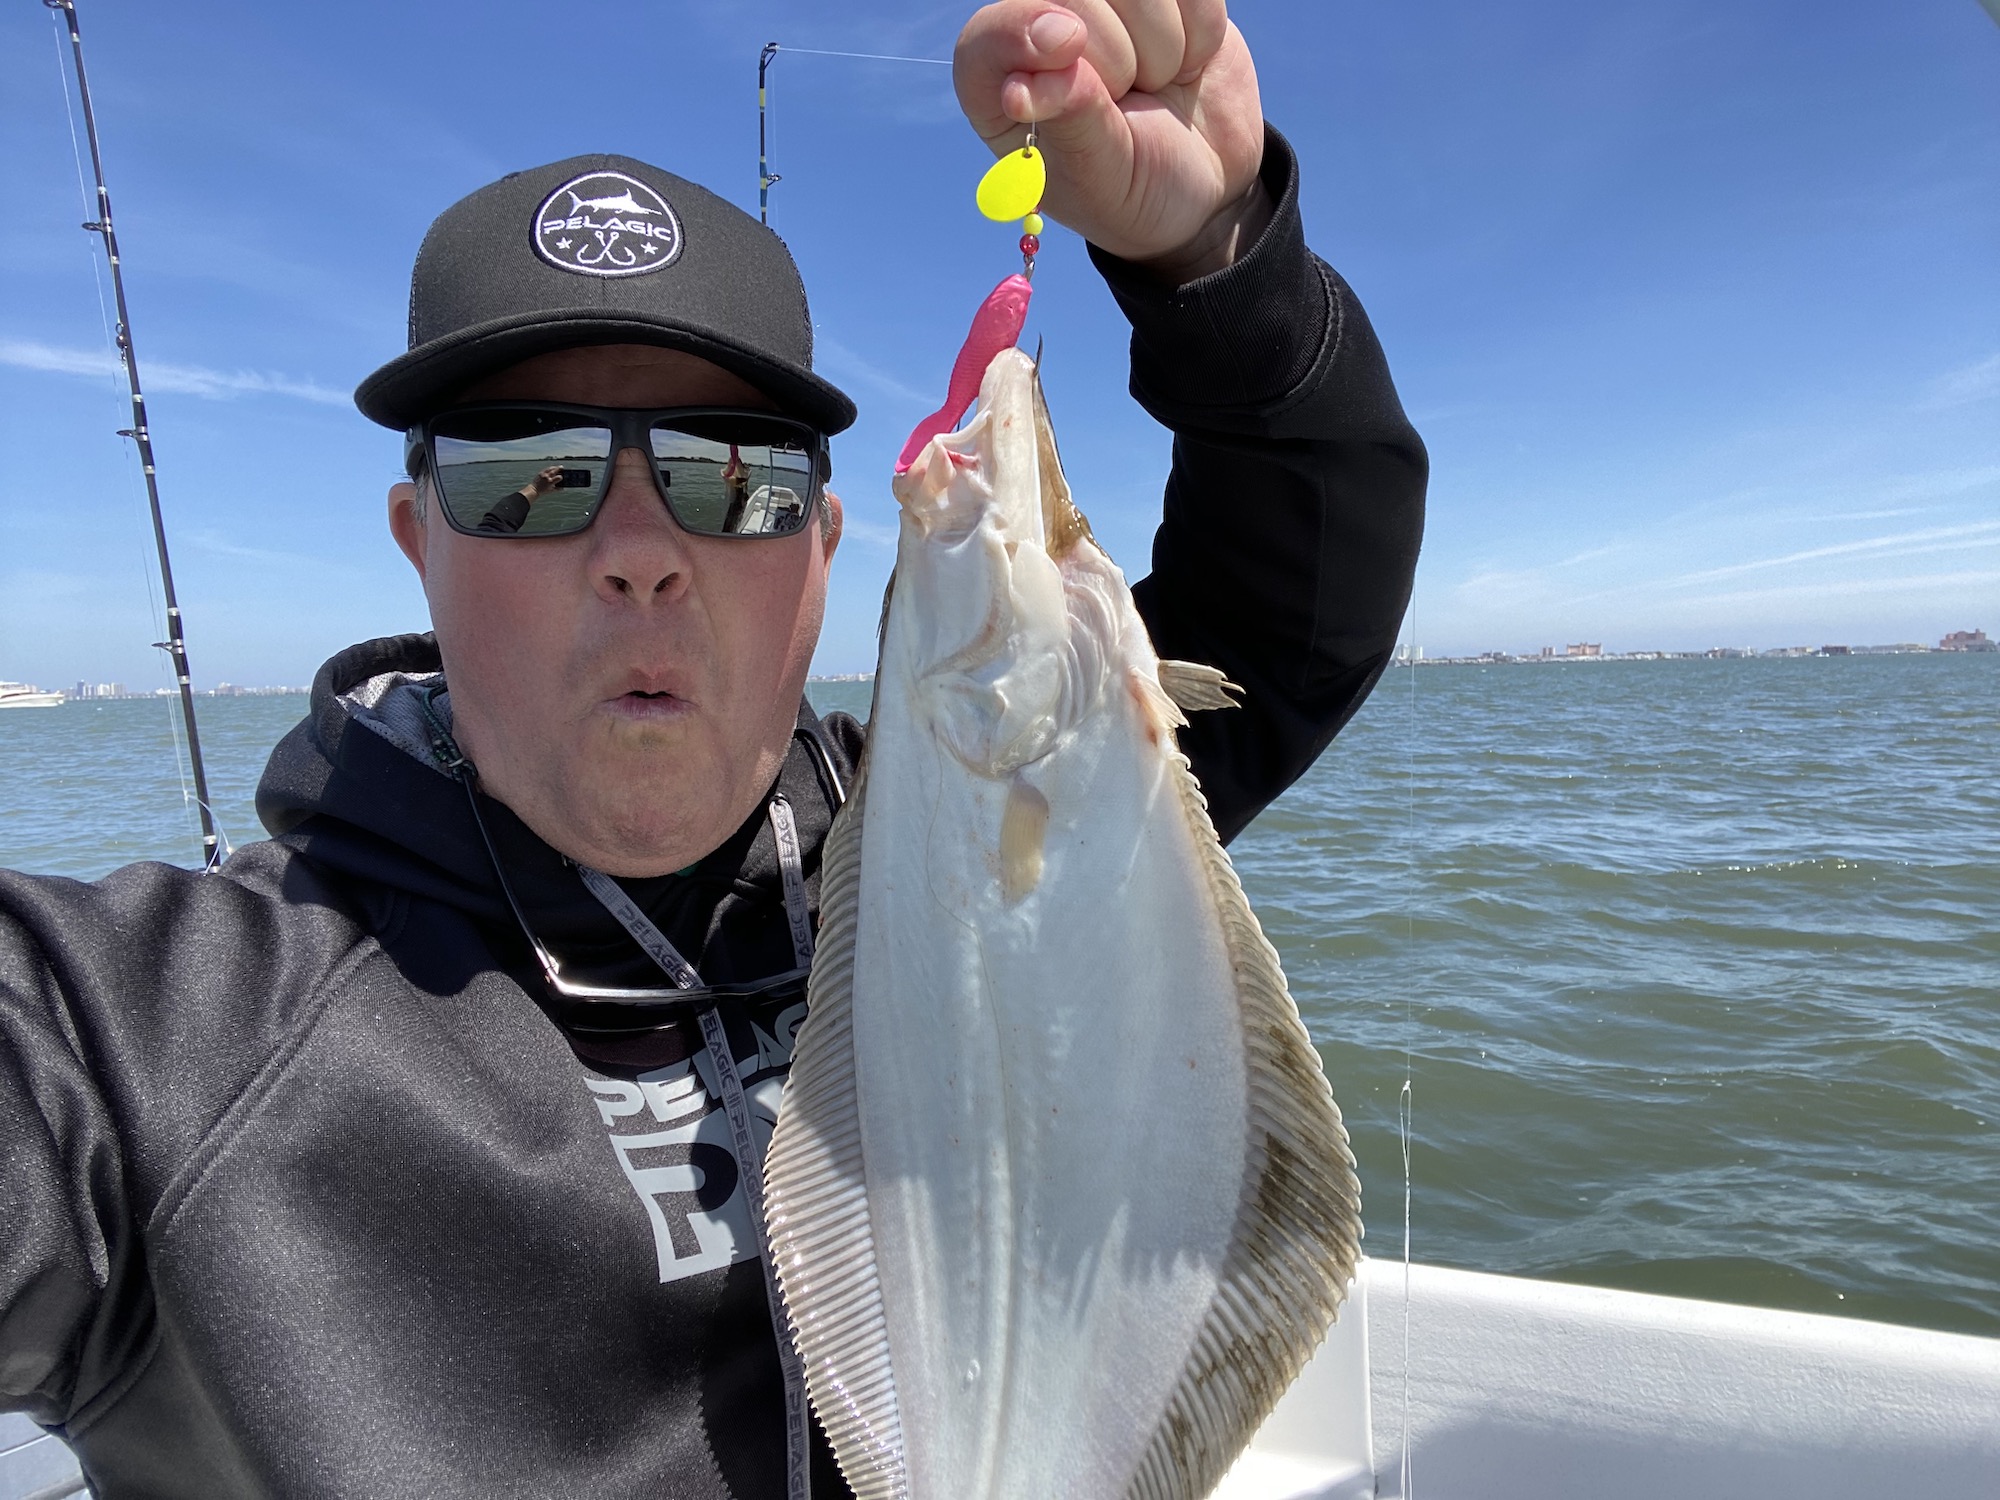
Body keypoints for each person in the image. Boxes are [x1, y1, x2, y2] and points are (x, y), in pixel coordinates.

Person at [0, 2, 1425, 1496]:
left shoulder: (933, 818)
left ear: (822, 548)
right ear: (420, 540)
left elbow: (1290, 624)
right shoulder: (157, 1042)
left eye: (730, 476)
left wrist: (1215, 259)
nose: (639, 550)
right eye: (528, 473)